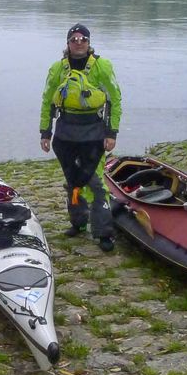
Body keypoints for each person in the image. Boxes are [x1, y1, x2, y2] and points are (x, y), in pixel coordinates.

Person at [38, 23, 123, 253]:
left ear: (89, 43)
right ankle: (78, 221)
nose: (78, 43)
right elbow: (47, 100)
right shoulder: (58, 69)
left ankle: (104, 232)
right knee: (72, 181)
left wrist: (111, 132)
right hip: (65, 131)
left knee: (96, 184)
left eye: (82, 39)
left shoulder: (102, 67)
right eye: (74, 39)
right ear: (67, 43)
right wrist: (45, 132)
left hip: (93, 133)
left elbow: (114, 99)